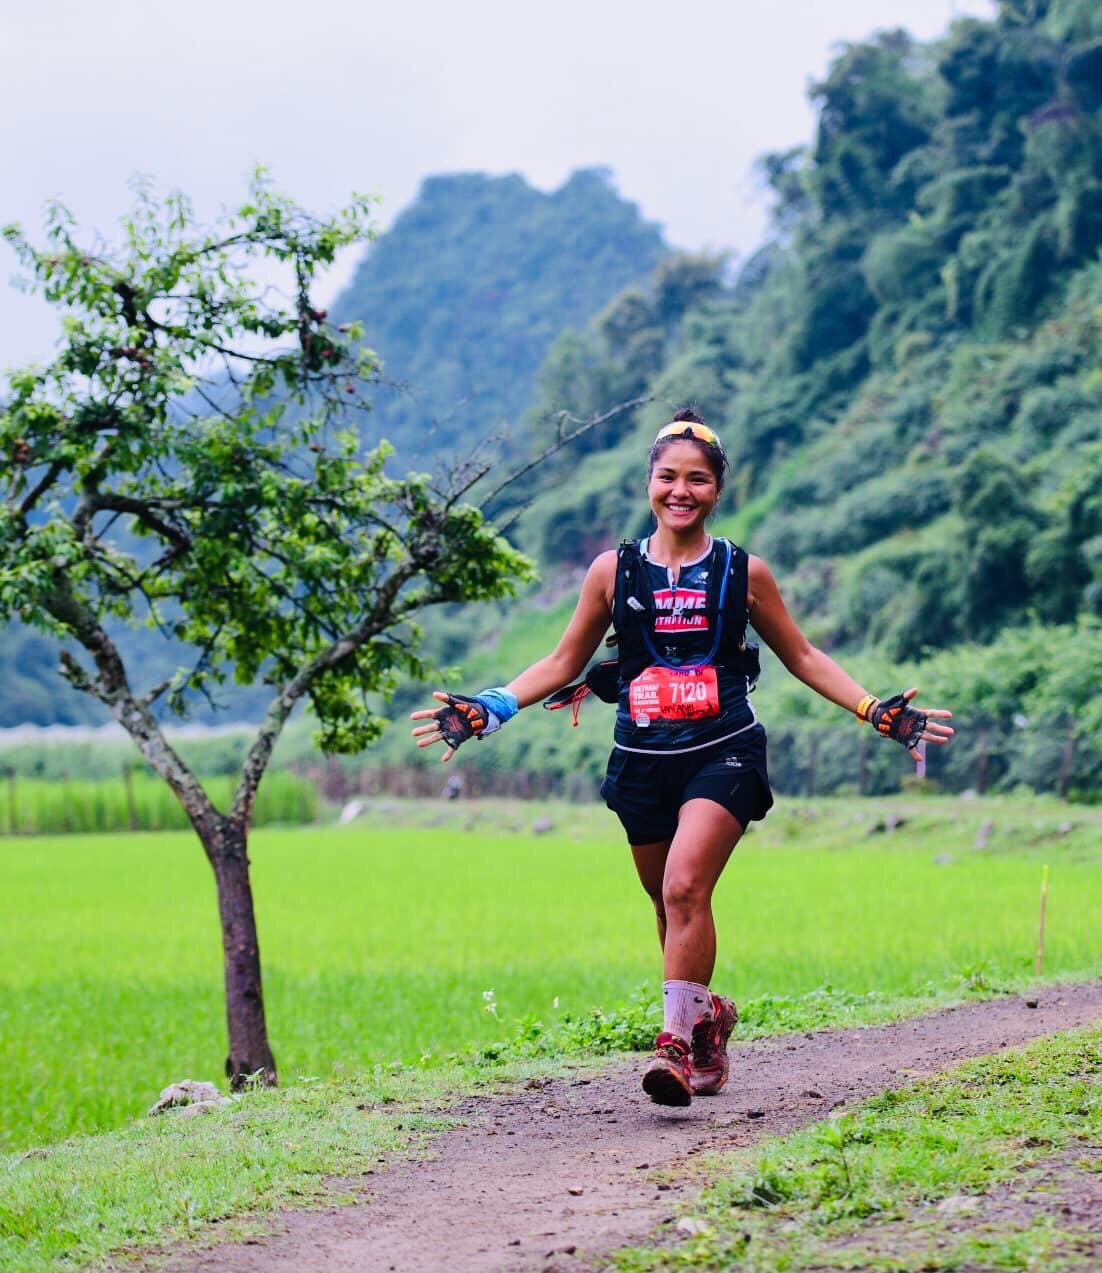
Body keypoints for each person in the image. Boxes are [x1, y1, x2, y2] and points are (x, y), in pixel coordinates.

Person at [410, 409, 954, 1106]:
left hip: (723, 752)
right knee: (668, 910)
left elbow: (805, 656)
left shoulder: (742, 571)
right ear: (649, 483)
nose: (681, 490)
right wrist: (490, 706)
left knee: (684, 887)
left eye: (697, 479)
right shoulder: (614, 570)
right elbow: (562, 660)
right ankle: (706, 1019)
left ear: (717, 490)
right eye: (668, 476)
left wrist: (875, 709)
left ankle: (670, 1046)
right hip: (640, 760)